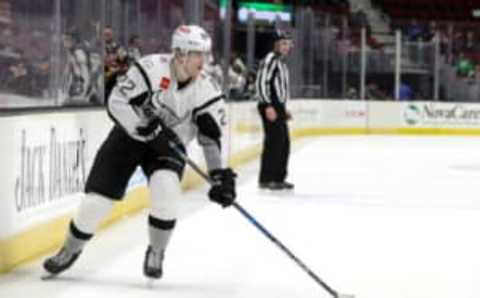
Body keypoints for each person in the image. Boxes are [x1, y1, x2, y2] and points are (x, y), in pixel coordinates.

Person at [43, 25, 237, 279]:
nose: (204, 61)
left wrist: (219, 175)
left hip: (168, 147)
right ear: (180, 54)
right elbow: (116, 102)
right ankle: (70, 250)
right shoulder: (151, 69)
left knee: (166, 190)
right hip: (128, 137)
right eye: (198, 54)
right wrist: (142, 127)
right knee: (96, 203)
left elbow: (211, 138)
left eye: (206, 54)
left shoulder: (207, 89)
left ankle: (157, 250)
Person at [256, 29, 294, 191]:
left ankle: (278, 177)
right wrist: (267, 105)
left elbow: (280, 88)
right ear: (276, 44)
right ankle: (266, 178)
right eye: (283, 43)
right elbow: (261, 82)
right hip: (269, 104)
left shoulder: (280, 62)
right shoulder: (271, 59)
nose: (286, 47)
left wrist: (283, 108)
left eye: (288, 43)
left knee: (283, 142)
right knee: (274, 141)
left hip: (278, 106)